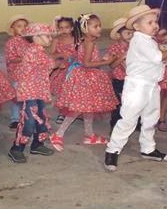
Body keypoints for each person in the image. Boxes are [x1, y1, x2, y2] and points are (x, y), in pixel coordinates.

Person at [104, 6, 167, 171]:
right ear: (136, 26)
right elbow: (157, 57)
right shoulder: (139, 39)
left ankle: (148, 148)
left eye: (155, 22)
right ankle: (112, 150)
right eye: (150, 22)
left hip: (151, 84)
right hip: (138, 85)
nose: (155, 25)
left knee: (151, 118)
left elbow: (160, 61)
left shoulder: (149, 40)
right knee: (129, 118)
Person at [51, 13, 118, 150]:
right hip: (85, 77)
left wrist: (101, 59)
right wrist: (107, 61)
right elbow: (86, 63)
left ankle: (89, 135)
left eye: (99, 26)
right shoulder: (89, 43)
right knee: (78, 109)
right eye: (95, 26)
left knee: (89, 107)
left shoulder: (82, 40)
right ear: (85, 29)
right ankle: (58, 134)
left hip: (87, 77)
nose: (99, 28)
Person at [8, 23, 58, 162]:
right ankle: (16, 149)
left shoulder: (38, 50)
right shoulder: (33, 52)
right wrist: (59, 62)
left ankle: (37, 144)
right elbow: (51, 64)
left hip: (37, 91)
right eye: (47, 36)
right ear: (36, 37)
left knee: (41, 117)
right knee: (28, 121)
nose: (50, 39)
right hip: (29, 93)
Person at [4, 15, 31, 129]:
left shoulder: (30, 41)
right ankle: (15, 118)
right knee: (16, 97)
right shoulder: (11, 42)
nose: (23, 28)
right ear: (12, 29)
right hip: (16, 74)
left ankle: (28, 116)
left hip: (29, 74)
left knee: (29, 96)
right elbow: (11, 58)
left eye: (25, 26)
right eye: (19, 26)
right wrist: (25, 58)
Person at [49, 16, 76, 124]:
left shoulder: (77, 40)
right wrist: (61, 55)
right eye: (61, 28)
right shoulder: (56, 40)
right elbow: (51, 54)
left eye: (66, 27)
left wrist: (72, 58)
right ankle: (62, 113)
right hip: (61, 69)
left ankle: (74, 111)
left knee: (74, 91)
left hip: (75, 69)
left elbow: (81, 54)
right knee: (62, 91)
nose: (64, 30)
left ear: (72, 28)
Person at [106, 18, 132, 128]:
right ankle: (115, 124)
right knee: (118, 103)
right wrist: (122, 57)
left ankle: (134, 123)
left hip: (132, 78)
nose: (130, 35)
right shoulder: (114, 47)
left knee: (132, 102)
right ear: (119, 35)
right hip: (118, 79)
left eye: (132, 33)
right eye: (127, 33)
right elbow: (111, 65)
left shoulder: (134, 45)